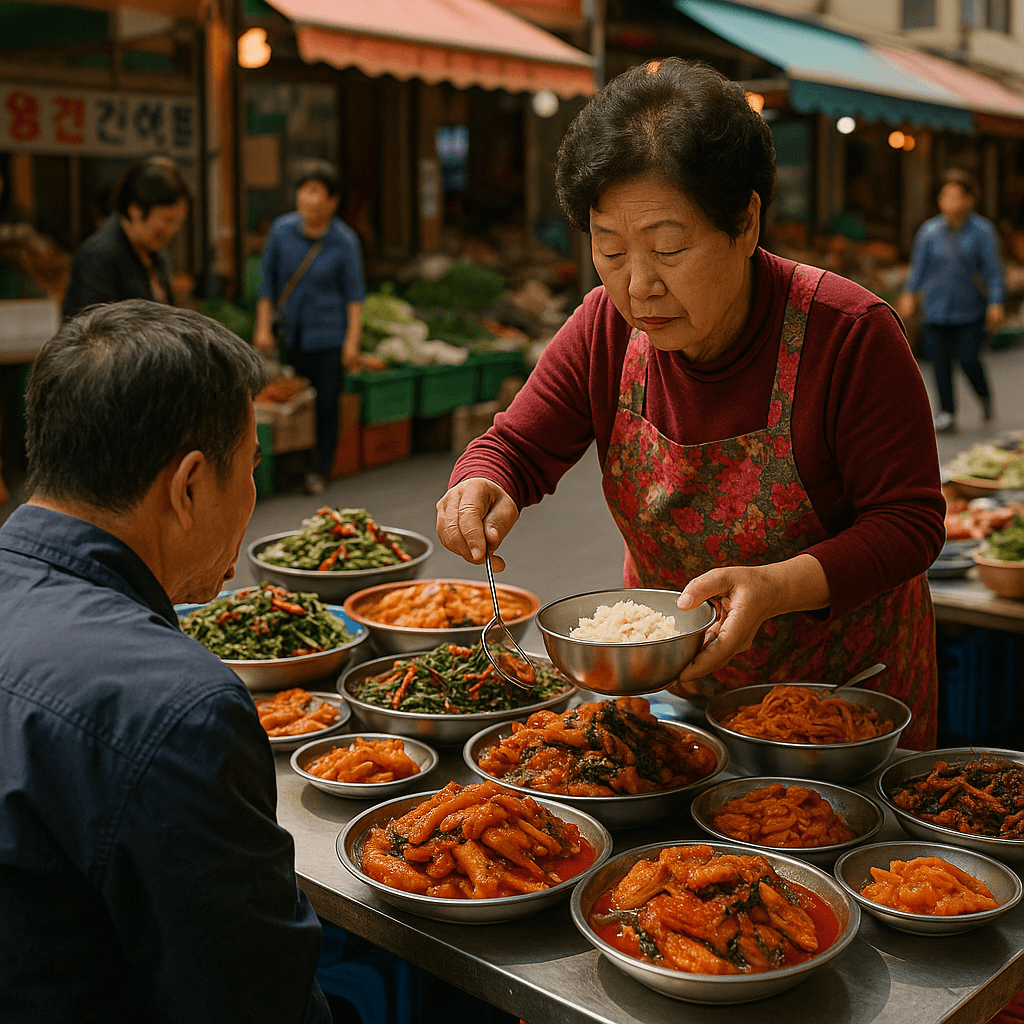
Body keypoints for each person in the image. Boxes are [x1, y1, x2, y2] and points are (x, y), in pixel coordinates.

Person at [436, 59, 945, 750]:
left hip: (845, 713)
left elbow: (910, 523)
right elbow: (516, 447)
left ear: (746, 222)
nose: (638, 285)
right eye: (610, 251)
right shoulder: (604, 328)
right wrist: (481, 482)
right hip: (675, 698)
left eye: (669, 248)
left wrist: (776, 588)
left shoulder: (849, 334)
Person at [0, 300, 330, 1023]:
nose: (252, 497)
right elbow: (256, 1004)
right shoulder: (179, 709)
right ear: (188, 487)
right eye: (251, 468)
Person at [254, 161, 366, 495]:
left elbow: (354, 297)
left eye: (317, 191)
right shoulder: (281, 231)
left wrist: (352, 342)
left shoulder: (344, 241)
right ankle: (293, 464)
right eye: (304, 190)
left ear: (332, 201)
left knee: (327, 404)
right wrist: (262, 328)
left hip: (329, 335)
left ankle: (320, 468)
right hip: (291, 333)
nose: (308, 198)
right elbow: (267, 284)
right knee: (290, 399)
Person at [898, 168, 1006, 433]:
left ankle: (983, 394)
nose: (949, 202)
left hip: (970, 310)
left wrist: (996, 302)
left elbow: (993, 271)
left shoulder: (982, 231)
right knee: (940, 364)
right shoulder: (929, 231)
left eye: (955, 196)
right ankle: (946, 412)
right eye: (944, 196)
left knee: (969, 359)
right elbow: (918, 268)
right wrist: (910, 294)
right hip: (936, 310)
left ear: (969, 199)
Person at [62, 156, 190, 318]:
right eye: (168, 220)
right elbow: (90, 327)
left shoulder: (156, 253)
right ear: (135, 210)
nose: (173, 230)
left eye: (178, 222)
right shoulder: (98, 257)